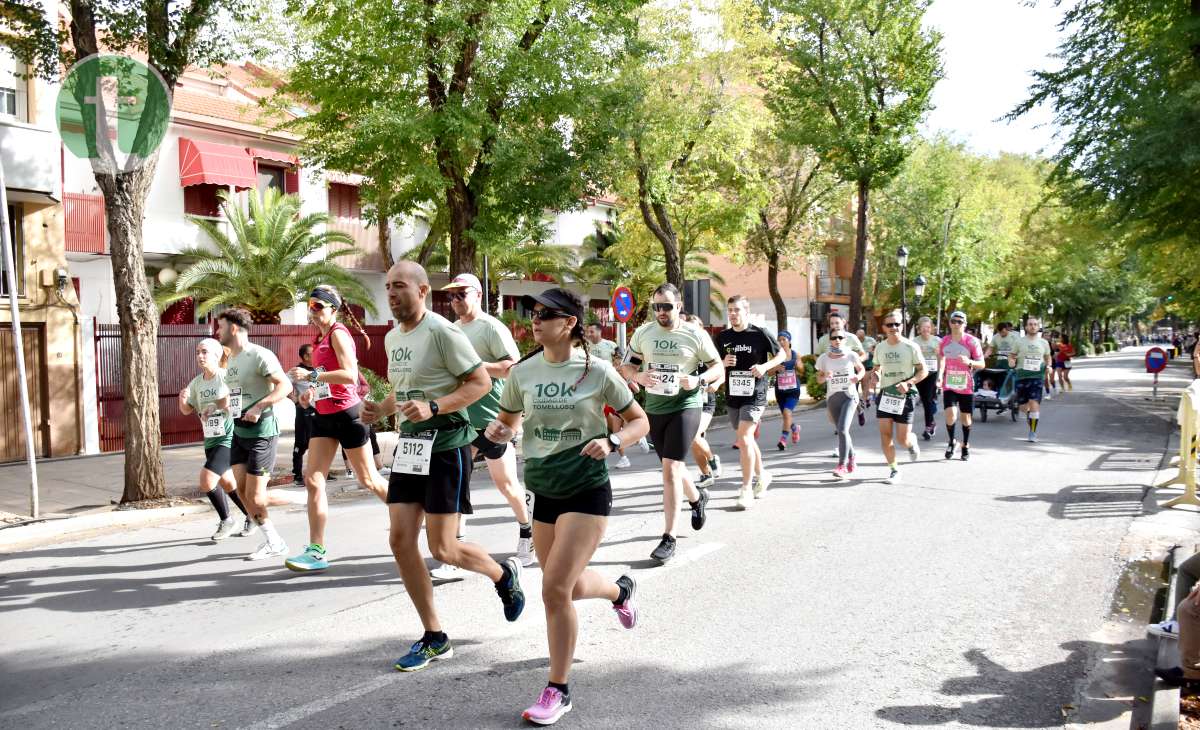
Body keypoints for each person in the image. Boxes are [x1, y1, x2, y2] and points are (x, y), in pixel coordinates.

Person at [486, 288, 649, 726]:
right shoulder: (524, 371)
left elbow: (639, 421)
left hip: (586, 490)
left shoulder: (597, 371)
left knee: (554, 589)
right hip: (544, 488)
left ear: (569, 323)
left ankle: (558, 689)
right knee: (569, 587)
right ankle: (620, 591)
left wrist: (613, 440)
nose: (534, 321)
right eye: (532, 315)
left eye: (544, 314)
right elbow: (510, 422)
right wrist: (499, 432)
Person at [362, 261, 525, 672]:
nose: (391, 293)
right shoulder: (393, 338)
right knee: (400, 542)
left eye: (399, 286)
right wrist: (378, 409)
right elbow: (403, 391)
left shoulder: (442, 331)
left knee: (444, 549)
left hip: (447, 445)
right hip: (411, 446)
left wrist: (435, 406)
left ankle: (503, 575)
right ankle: (434, 636)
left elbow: (480, 383)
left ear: (422, 291)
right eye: (387, 287)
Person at [282, 286, 389, 572]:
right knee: (313, 479)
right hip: (325, 416)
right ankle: (316, 551)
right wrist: (310, 393)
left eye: (318, 306)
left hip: (347, 415)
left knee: (369, 479)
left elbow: (349, 375)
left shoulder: (339, 333)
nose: (312, 311)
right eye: (310, 306)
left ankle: (410, 514)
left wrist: (311, 374)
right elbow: (328, 381)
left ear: (333, 308)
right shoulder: (320, 339)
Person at [620, 283, 723, 563]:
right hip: (655, 407)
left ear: (678, 306)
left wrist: (699, 380)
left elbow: (718, 368)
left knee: (671, 468)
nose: (661, 312)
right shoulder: (643, 333)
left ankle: (669, 537)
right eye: (656, 306)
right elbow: (627, 367)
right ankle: (697, 498)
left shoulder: (695, 334)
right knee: (671, 466)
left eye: (666, 306)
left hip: (686, 405)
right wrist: (637, 378)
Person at [442, 273, 535, 568]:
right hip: (461, 420)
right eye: (451, 295)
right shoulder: (452, 329)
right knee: (456, 483)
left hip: (493, 418)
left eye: (462, 294)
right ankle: (454, 548)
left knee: (505, 483)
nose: (456, 300)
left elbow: (513, 368)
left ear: (478, 295)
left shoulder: (491, 327)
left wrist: (476, 368)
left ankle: (527, 533)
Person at [216, 308, 293, 560]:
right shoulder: (230, 359)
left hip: (262, 432)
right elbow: (235, 396)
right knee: (242, 492)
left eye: (221, 326)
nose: (217, 331)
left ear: (234, 328)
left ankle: (303, 498)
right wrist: (215, 407)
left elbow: (285, 385)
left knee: (256, 495)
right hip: (239, 432)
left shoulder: (260, 354)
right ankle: (274, 541)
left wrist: (260, 406)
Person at [715, 295, 786, 509]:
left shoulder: (760, 333)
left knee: (744, 437)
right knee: (745, 439)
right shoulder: (722, 337)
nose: (733, 314)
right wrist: (722, 362)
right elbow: (713, 363)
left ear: (746, 311)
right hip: (733, 394)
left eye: (737, 310)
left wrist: (764, 367)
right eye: (730, 310)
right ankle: (763, 476)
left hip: (756, 393)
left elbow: (782, 354)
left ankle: (745, 488)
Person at [178, 338, 251, 540]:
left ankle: (227, 520)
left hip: (229, 438)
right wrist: (183, 401)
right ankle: (251, 515)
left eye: (204, 352)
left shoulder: (225, 377)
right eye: (197, 352)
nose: (200, 356)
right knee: (228, 483)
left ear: (217, 356)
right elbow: (187, 410)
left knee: (207, 479)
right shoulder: (196, 382)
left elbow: (236, 404)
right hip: (211, 440)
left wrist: (218, 407)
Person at [872, 310, 928, 484]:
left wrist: (909, 383)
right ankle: (894, 470)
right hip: (886, 393)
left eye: (897, 324)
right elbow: (876, 368)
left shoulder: (911, 346)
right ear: (884, 328)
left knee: (902, 439)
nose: (893, 327)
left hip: (906, 394)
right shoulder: (880, 347)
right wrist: (875, 376)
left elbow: (923, 370)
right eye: (890, 325)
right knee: (885, 436)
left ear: (902, 326)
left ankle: (911, 443)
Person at [816, 312, 867, 455]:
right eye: (831, 324)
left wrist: (852, 363)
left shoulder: (851, 338)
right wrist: (824, 371)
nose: (834, 326)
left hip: (849, 378)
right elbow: (818, 359)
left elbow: (863, 354)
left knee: (843, 423)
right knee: (834, 419)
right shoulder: (824, 340)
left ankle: (843, 449)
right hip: (832, 381)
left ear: (843, 322)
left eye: (837, 323)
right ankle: (859, 409)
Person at [939, 311, 985, 461]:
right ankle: (952, 441)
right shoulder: (944, 341)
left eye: (960, 322)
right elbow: (941, 358)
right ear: (950, 323)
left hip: (966, 386)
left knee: (966, 419)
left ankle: (965, 444)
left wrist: (969, 362)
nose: (956, 324)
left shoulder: (972, 342)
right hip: (949, 384)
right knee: (951, 415)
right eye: (954, 321)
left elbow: (982, 364)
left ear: (965, 324)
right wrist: (940, 375)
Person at [682, 313, 721, 489]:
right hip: (688, 400)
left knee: (695, 435)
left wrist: (718, 383)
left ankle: (712, 460)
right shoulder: (682, 349)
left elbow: (721, 370)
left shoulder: (707, 348)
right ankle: (706, 474)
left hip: (706, 400)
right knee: (693, 441)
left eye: (695, 327)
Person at [1009, 316, 1053, 442]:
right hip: (1021, 376)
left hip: (1037, 376)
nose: (1033, 326)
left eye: (1035, 324)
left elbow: (1047, 357)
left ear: (1038, 327)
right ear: (1026, 327)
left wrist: (1049, 366)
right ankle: (1029, 416)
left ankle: (1032, 432)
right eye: (1030, 324)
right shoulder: (1019, 341)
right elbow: (1012, 355)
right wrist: (1011, 361)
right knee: (1023, 407)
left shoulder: (1044, 343)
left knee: (1034, 403)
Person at [289, 344, 319, 485]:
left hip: (320, 410)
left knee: (319, 441)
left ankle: (320, 472)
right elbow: (282, 384)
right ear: (306, 356)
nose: (316, 354)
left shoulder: (318, 369)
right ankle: (297, 475)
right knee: (301, 443)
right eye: (313, 353)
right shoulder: (296, 371)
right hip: (304, 411)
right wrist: (295, 400)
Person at [771, 330, 804, 451]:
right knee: (786, 416)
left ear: (789, 341)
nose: (781, 342)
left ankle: (783, 440)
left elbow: (802, 370)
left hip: (793, 390)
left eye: (784, 339)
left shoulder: (796, 355)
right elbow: (768, 372)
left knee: (786, 413)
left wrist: (798, 365)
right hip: (780, 391)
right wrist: (776, 368)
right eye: (779, 340)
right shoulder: (776, 357)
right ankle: (795, 428)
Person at [912, 317, 940, 440]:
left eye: (928, 327)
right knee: (925, 399)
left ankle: (929, 425)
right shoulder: (914, 341)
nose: (926, 329)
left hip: (932, 372)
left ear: (932, 328)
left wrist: (940, 375)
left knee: (927, 399)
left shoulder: (937, 340)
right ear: (919, 329)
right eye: (923, 327)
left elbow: (941, 359)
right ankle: (932, 421)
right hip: (920, 373)